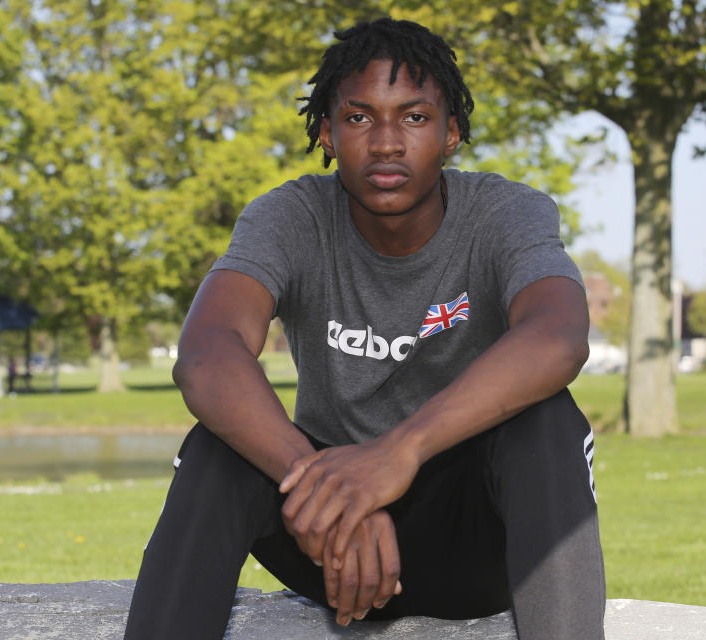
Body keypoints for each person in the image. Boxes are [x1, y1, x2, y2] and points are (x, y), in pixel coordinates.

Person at [124, 17, 605, 640]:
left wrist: (395, 456)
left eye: (413, 117)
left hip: (474, 538)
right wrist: (331, 489)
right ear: (326, 133)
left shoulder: (505, 212)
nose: (385, 143)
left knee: (546, 421)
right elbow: (206, 355)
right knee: (217, 449)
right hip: (327, 543)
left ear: (452, 132)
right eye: (358, 118)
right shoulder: (290, 217)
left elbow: (559, 335)